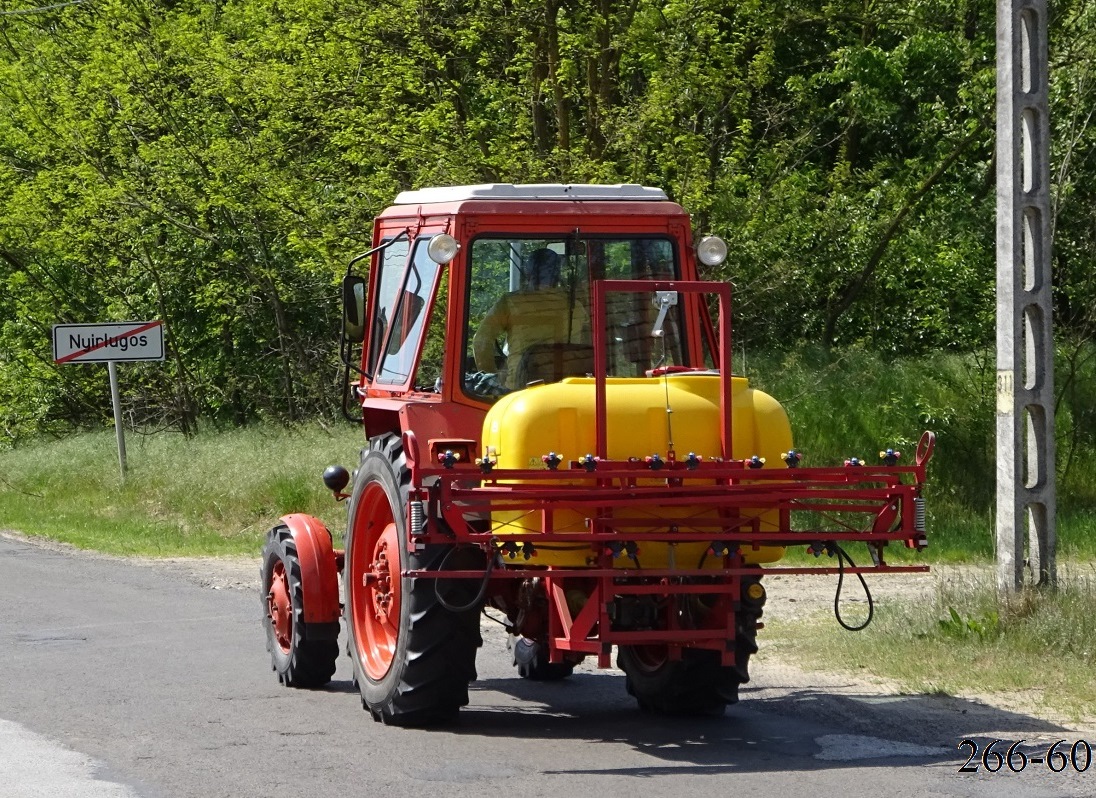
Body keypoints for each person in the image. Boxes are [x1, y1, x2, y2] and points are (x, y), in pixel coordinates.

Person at [472, 248, 590, 389]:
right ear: (558, 275)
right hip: (567, 389)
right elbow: (587, 343)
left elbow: (481, 341)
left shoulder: (511, 303)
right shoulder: (575, 306)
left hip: (518, 389)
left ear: (528, 273)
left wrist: (493, 376)